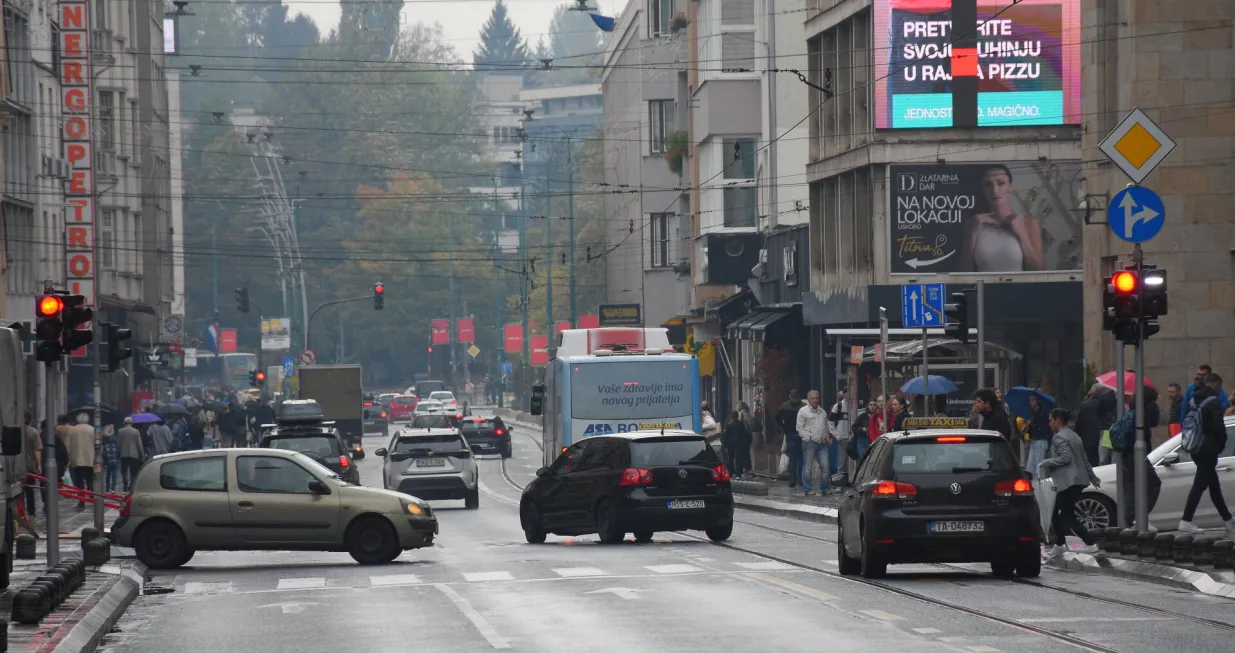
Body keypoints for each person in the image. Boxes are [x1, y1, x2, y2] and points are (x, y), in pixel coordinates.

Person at [959, 164, 1047, 272]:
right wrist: (972, 234)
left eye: (1001, 183)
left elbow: (1039, 270)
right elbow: (963, 273)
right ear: (983, 189)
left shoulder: (1029, 223)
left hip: (1018, 288)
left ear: (1011, 186)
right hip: (984, 288)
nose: (995, 190)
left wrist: (1021, 233)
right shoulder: (974, 222)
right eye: (988, 185)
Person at [1040, 408, 1101, 560]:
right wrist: (1092, 477)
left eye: (1051, 420)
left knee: (1066, 514)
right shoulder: (1075, 436)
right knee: (1057, 513)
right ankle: (1060, 544)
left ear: (1058, 421)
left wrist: (1046, 462)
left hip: (1068, 481)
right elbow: (1084, 459)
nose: (1049, 424)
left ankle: (1090, 543)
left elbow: (1065, 458)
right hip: (1077, 481)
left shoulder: (1059, 437)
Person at [1178, 375, 1235, 537]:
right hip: (1208, 448)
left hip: (1196, 446)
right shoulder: (1213, 402)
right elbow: (1219, 427)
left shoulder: (1195, 399)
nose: (1220, 390)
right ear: (1216, 384)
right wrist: (1221, 445)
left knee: (1213, 484)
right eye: (1219, 386)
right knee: (1200, 484)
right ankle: (1186, 520)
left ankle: (1227, 519)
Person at [796, 391, 830, 496]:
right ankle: (808, 489)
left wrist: (827, 437)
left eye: (817, 398)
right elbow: (799, 427)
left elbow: (826, 426)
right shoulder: (803, 411)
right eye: (813, 398)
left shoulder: (822, 412)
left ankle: (824, 488)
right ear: (809, 399)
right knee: (807, 467)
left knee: (825, 466)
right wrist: (807, 438)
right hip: (809, 443)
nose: (815, 400)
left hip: (822, 443)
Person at [1075, 384, 1113, 466]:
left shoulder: (1084, 405)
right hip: (1105, 439)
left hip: (1088, 441)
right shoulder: (1110, 405)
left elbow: (1079, 425)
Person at [66, 413, 96, 510]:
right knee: (90, 480)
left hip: (77, 459)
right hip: (90, 459)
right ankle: (92, 495)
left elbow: (68, 446)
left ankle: (81, 500)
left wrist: (69, 459)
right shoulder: (92, 429)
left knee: (79, 482)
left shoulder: (73, 430)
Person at [777, 390, 806, 488]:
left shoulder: (784, 406)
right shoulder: (803, 406)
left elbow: (777, 417)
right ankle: (800, 479)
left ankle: (792, 479)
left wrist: (783, 427)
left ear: (790, 396)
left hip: (790, 434)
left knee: (792, 458)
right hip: (801, 435)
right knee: (801, 458)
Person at [1024, 394, 1053, 479]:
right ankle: (1033, 485)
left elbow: (1043, 428)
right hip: (1034, 440)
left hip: (1040, 440)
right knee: (1030, 467)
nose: (1031, 402)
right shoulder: (1032, 412)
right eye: (1030, 400)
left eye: (1033, 400)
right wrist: (1027, 427)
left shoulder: (1042, 412)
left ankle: (1041, 485)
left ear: (1037, 401)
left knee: (1039, 467)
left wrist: (1031, 425)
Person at [22, 412, 42, 520]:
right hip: (30, 467)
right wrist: (39, 465)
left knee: (18, 493)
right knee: (30, 491)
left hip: (15, 467)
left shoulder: (14, 430)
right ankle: (31, 513)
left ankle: (21, 512)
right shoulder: (33, 431)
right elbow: (37, 450)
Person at [117, 418, 145, 492]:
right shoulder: (136, 432)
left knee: (124, 470)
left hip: (123, 454)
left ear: (124, 423)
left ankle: (125, 481)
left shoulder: (120, 431)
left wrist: (118, 452)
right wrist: (142, 455)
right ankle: (131, 485)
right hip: (134, 454)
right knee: (133, 472)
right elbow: (139, 445)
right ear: (131, 423)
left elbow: (118, 443)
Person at [827, 391, 850, 479]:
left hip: (853, 438)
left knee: (851, 463)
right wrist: (837, 436)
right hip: (842, 438)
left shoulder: (855, 405)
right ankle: (840, 483)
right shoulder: (838, 406)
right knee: (842, 462)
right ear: (844, 394)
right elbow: (830, 422)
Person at [101, 426, 121, 494]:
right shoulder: (116, 446)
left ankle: (107, 487)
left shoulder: (105, 447)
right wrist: (118, 461)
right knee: (114, 476)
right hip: (115, 463)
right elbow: (118, 454)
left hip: (108, 463)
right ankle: (113, 489)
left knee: (108, 476)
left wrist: (104, 464)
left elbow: (104, 455)